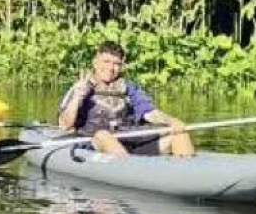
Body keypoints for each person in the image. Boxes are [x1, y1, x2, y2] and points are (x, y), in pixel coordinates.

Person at [58, 41, 194, 157]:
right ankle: (130, 171)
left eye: (116, 63)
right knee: (103, 135)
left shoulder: (129, 88)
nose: (110, 68)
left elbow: (149, 113)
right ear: (95, 62)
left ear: (121, 66)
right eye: (106, 61)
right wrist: (77, 97)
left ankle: (189, 173)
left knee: (179, 133)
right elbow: (65, 125)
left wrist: (172, 121)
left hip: (129, 141)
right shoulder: (81, 87)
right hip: (95, 144)